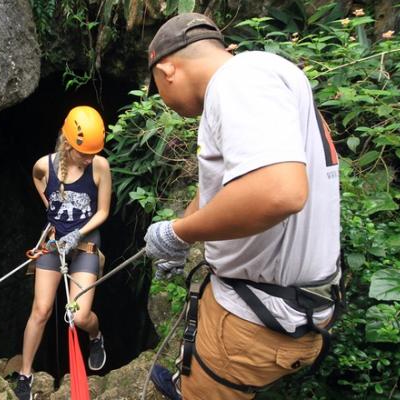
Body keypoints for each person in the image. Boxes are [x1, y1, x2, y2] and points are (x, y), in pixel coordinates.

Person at [143, 13, 342, 400]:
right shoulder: (267, 76)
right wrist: (181, 237)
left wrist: (177, 232)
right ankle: (191, 380)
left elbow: (277, 192)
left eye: (157, 90)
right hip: (284, 301)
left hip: (257, 314)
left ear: (166, 70)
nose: (164, 103)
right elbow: (228, 184)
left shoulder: (239, 83)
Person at [14, 106, 112, 400]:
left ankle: (96, 337)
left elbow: (104, 211)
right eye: (85, 152)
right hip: (55, 241)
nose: (90, 157)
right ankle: (26, 375)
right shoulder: (44, 165)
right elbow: (36, 178)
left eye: (94, 152)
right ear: (68, 144)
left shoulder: (99, 167)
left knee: (79, 317)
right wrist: (51, 211)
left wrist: (76, 234)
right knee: (41, 310)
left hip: (84, 242)